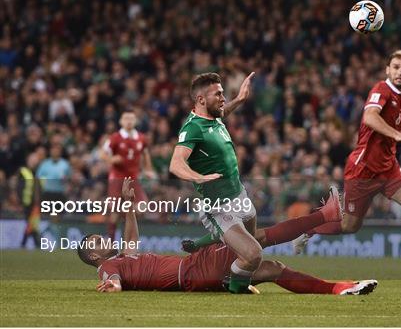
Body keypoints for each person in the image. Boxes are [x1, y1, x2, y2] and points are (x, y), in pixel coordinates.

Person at [296, 50, 401, 280]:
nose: (400, 72)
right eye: (395, 67)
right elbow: (369, 118)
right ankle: (309, 228)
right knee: (350, 226)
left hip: (388, 169)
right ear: (387, 70)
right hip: (363, 170)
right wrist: (398, 136)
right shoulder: (381, 90)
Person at [78, 178, 377, 296]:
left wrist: (128, 205)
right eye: (96, 242)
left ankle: (340, 288)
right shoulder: (109, 267)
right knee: (255, 237)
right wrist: (112, 287)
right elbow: (112, 281)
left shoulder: (121, 257)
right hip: (193, 272)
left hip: (196, 267)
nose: (102, 241)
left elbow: (131, 237)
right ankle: (324, 216)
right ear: (93, 256)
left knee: (273, 268)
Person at [169, 72, 265, 294]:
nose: (223, 98)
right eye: (218, 94)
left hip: (239, 196)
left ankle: (237, 283)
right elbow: (176, 164)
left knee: (251, 250)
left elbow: (222, 114)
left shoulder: (214, 118)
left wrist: (239, 100)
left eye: (223, 93)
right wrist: (198, 177)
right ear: (201, 99)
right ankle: (231, 284)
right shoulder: (192, 128)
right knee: (253, 255)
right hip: (218, 206)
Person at [100, 109, 156, 240]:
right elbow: (102, 154)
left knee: (141, 208)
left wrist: (148, 169)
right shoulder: (115, 138)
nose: (129, 121)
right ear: (121, 122)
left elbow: (146, 153)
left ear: (135, 121)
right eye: (126, 118)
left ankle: (126, 233)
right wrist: (112, 159)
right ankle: (112, 244)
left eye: (131, 118)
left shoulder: (141, 138)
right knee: (114, 213)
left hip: (133, 178)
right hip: (117, 178)